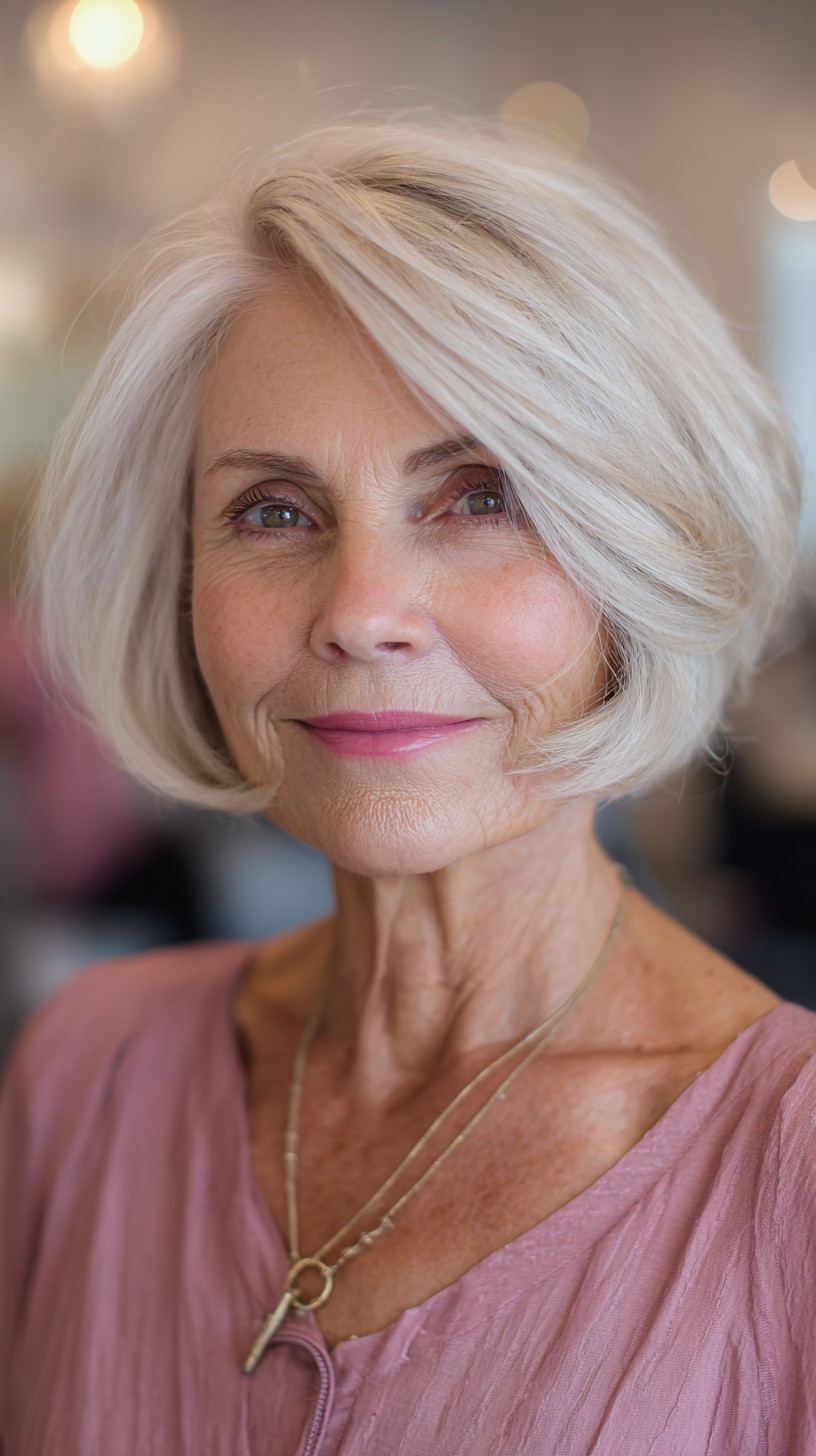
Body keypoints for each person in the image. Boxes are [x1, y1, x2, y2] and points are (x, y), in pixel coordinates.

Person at [1, 113, 813, 1456]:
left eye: (480, 494)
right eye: (274, 511)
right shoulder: (86, 1074)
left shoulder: (785, 1177)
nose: (363, 611)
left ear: (640, 556)